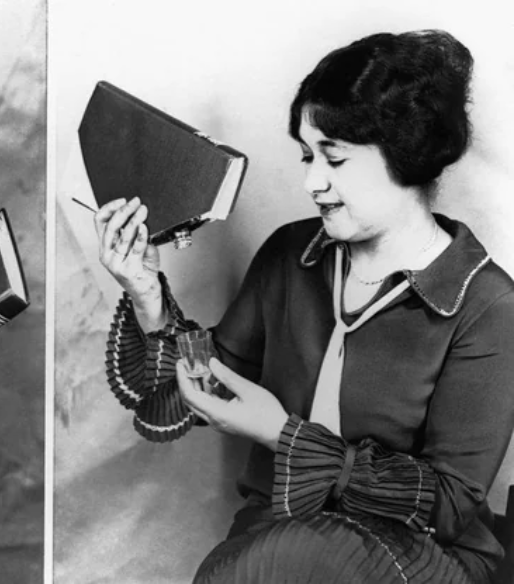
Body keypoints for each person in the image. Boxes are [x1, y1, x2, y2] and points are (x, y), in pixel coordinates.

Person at [96, 29, 514, 583]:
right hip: (278, 531)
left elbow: (451, 504)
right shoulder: (291, 254)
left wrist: (283, 435)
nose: (312, 182)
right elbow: (213, 385)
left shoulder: (488, 304)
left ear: (407, 152)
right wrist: (146, 292)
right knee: (256, 563)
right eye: (305, 155)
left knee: (273, 563)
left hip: (416, 557)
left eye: (334, 159)